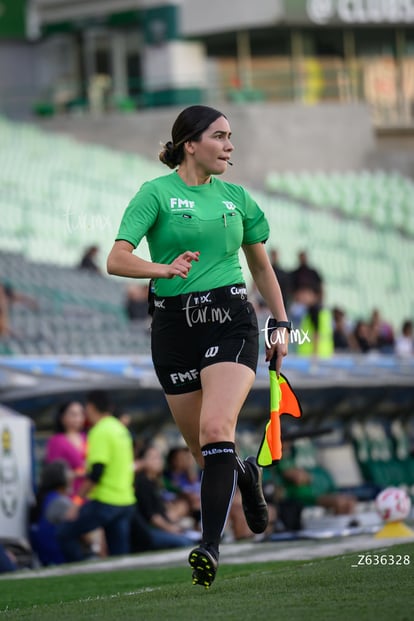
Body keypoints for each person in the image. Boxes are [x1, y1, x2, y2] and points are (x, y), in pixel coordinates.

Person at [107, 104, 289, 588]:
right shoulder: (155, 194)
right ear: (191, 144)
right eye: (220, 136)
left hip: (230, 319)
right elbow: (117, 259)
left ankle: (208, 546)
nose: (230, 146)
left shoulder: (238, 199)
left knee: (214, 427)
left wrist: (282, 323)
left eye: (231, 137)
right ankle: (246, 474)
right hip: (172, 327)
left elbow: (262, 269)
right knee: (204, 451)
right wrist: (162, 269)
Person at [56, 390, 136, 562]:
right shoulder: (120, 429)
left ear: (91, 407)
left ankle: (80, 571)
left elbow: (97, 473)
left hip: (106, 502)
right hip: (126, 501)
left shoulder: (100, 431)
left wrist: (76, 504)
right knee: (120, 557)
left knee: (63, 533)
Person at [133, 444, 198, 550]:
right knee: (186, 542)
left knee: (192, 538)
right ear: (142, 461)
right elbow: (152, 517)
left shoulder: (157, 481)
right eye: (153, 458)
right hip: (149, 531)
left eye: (159, 457)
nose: (158, 461)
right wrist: (171, 528)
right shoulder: (142, 483)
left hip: (161, 527)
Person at [30, 460, 82, 566]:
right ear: (59, 479)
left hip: (47, 559)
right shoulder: (60, 502)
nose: (73, 476)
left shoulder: (45, 498)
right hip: (61, 560)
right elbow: (87, 536)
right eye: (69, 473)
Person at [45, 401, 87, 498]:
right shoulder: (56, 441)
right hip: (68, 496)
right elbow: (54, 472)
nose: (78, 418)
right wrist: (77, 473)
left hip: (88, 494)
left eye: (81, 414)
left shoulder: (87, 438)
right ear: (62, 418)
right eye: (73, 414)